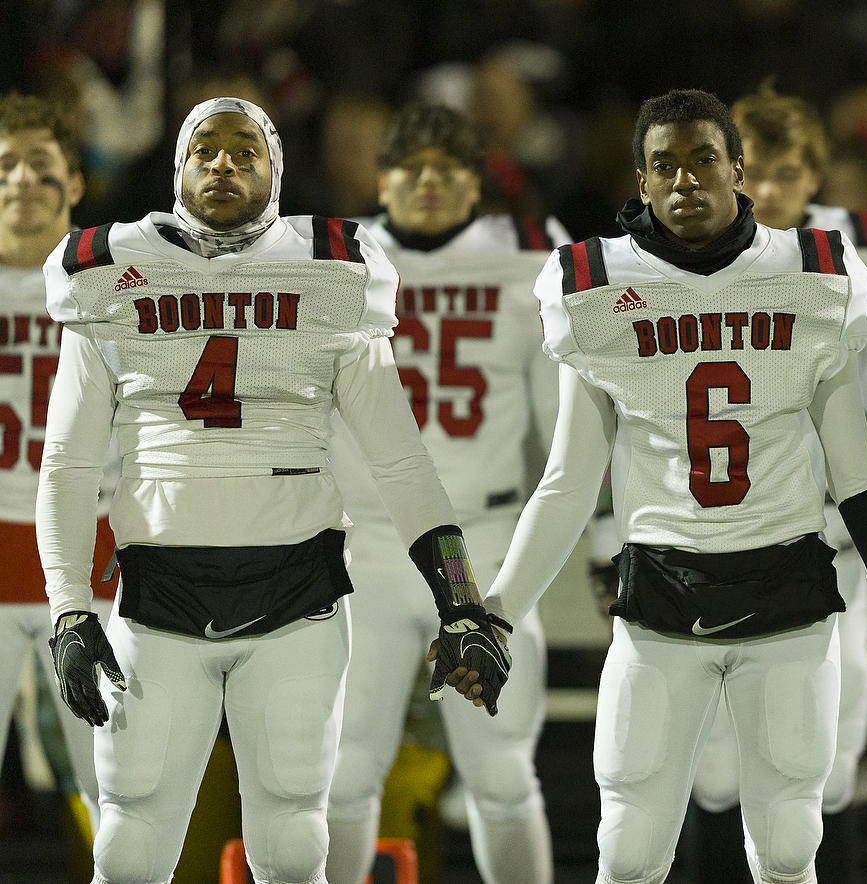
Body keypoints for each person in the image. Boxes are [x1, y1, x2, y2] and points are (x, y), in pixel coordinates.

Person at [37, 96, 509, 884]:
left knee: (293, 844)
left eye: (244, 152)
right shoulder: (109, 270)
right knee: (127, 846)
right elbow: (68, 464)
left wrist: (459, 601)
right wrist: (68, 610)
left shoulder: (332, 270)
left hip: (297, 594)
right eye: (205, 151)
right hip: (158, 598)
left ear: (277, 169)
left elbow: (401, 462)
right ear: (178, 168)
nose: (224, 164)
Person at [481, 88, 867, 884]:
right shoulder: (593, 287)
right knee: (626, 849)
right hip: (661, 595)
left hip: (790, 594)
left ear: (739, 171)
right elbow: (565, 484)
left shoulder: (816, 274)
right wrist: (495, 614)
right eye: (666, 165)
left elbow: (859, 475)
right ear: (641, 180)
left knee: (792, 847)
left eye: (703, 161)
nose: (686, 180)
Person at [676, 83, 867, 883]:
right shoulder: (676, 247)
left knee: (830, 755)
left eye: (789, 172)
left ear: (818, 175)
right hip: (713, 533)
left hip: (830, 538)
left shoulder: (861, 251)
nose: (772, 191)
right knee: (712, 766)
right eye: (759, 172)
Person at [324, 101, 570, 884]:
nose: (428, 183)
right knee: (346, 767)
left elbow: (563, 424)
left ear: (478, 184)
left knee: (500, 774)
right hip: (366, 543)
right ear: (383, 177)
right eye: (412, 167)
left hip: (488, 538)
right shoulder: (332, 256)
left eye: (448, 168)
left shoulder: (530, 255)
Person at [0, 92, 116, 838]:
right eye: (4, 165)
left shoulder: (113, 276)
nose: (19, 182)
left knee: (119, 787)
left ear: (74, 183)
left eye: (39, 166)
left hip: (88, 546)